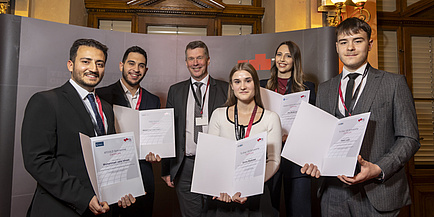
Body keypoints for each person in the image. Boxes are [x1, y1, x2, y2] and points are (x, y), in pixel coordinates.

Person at [301, 18, 420, 216]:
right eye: (343, 42)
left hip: (377, 193)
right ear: (336, 47)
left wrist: (379, 168)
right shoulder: (325, 88)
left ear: (370, 44)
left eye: (357, 40)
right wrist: (313, 161)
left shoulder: (394, 84)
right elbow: (319, 138)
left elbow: (409, 138)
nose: (350, 48)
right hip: (333, 193)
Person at [21, 39, 135, 217]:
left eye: (100, 64)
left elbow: (108, 156)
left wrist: (121, 190)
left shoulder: (106, 107)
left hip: (102, 208)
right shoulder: (46, 101)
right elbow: (38, 161)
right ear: (70, 64)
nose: (93, 69)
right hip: (60, 208)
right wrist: (84, 197)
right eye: (85, 61)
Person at [203, 62, 282, 216]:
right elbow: (210, 157)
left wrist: (250, 186)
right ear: (231, 86)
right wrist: (220, 187)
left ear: (256, 84)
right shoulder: (218, 115)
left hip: (255, 195)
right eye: (237, 82)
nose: (243, 86)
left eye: (248, 80)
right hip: (222, 195)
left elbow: (273, 160)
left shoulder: (271, 118)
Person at [161, 40, 229, 217]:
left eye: (199, 58)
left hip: (217, 165)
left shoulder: (225, 89)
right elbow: (169, 130)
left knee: (218, 213)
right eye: (191, 59)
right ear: (186, 62)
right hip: (185, 167)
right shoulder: (175, 91)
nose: (195, 63)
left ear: (208, 60)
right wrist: (166, 169)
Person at [96, 45, 161, 217]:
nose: (136, 69)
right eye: (131, 63)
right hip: (112, 175)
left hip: (144, 174)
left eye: (141, 66)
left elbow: (154, 139)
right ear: (121, 65)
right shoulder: (101, 95)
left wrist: (155, 152)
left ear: (145, 69)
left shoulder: (153, 100)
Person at [260, 41, 315, 217]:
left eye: (288, 55)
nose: (282, 59)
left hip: (297, 156)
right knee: (268, 210)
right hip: (269, 153)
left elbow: (312, 124)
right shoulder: (261, 86)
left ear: (295, 60)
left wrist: (292, 135)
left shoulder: (308, 88)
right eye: (279, 54)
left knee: (299, 210)